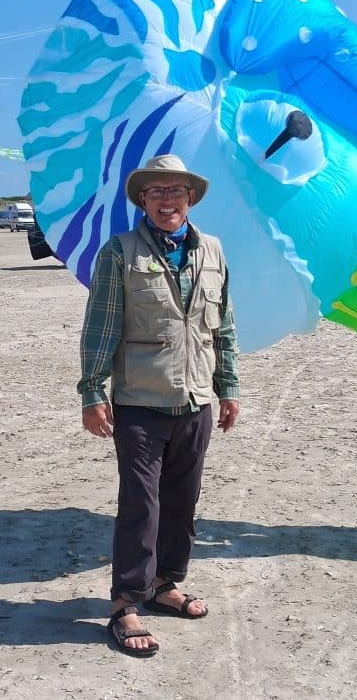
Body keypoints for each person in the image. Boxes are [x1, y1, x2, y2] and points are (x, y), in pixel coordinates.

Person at [78, 153, 240, 658]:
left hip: (196, 402)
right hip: (140, 404)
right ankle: (126, 602)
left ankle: (166, 584)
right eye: (157, 192)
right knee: (141, 506)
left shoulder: (212, 250)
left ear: (190, 198)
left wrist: (228, 387)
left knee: (183, 502)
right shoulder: (119, 251)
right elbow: (100, 328)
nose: (168, 200)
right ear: (143, 200)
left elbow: (224, 329)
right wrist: (91, 392)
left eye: (176, 191)